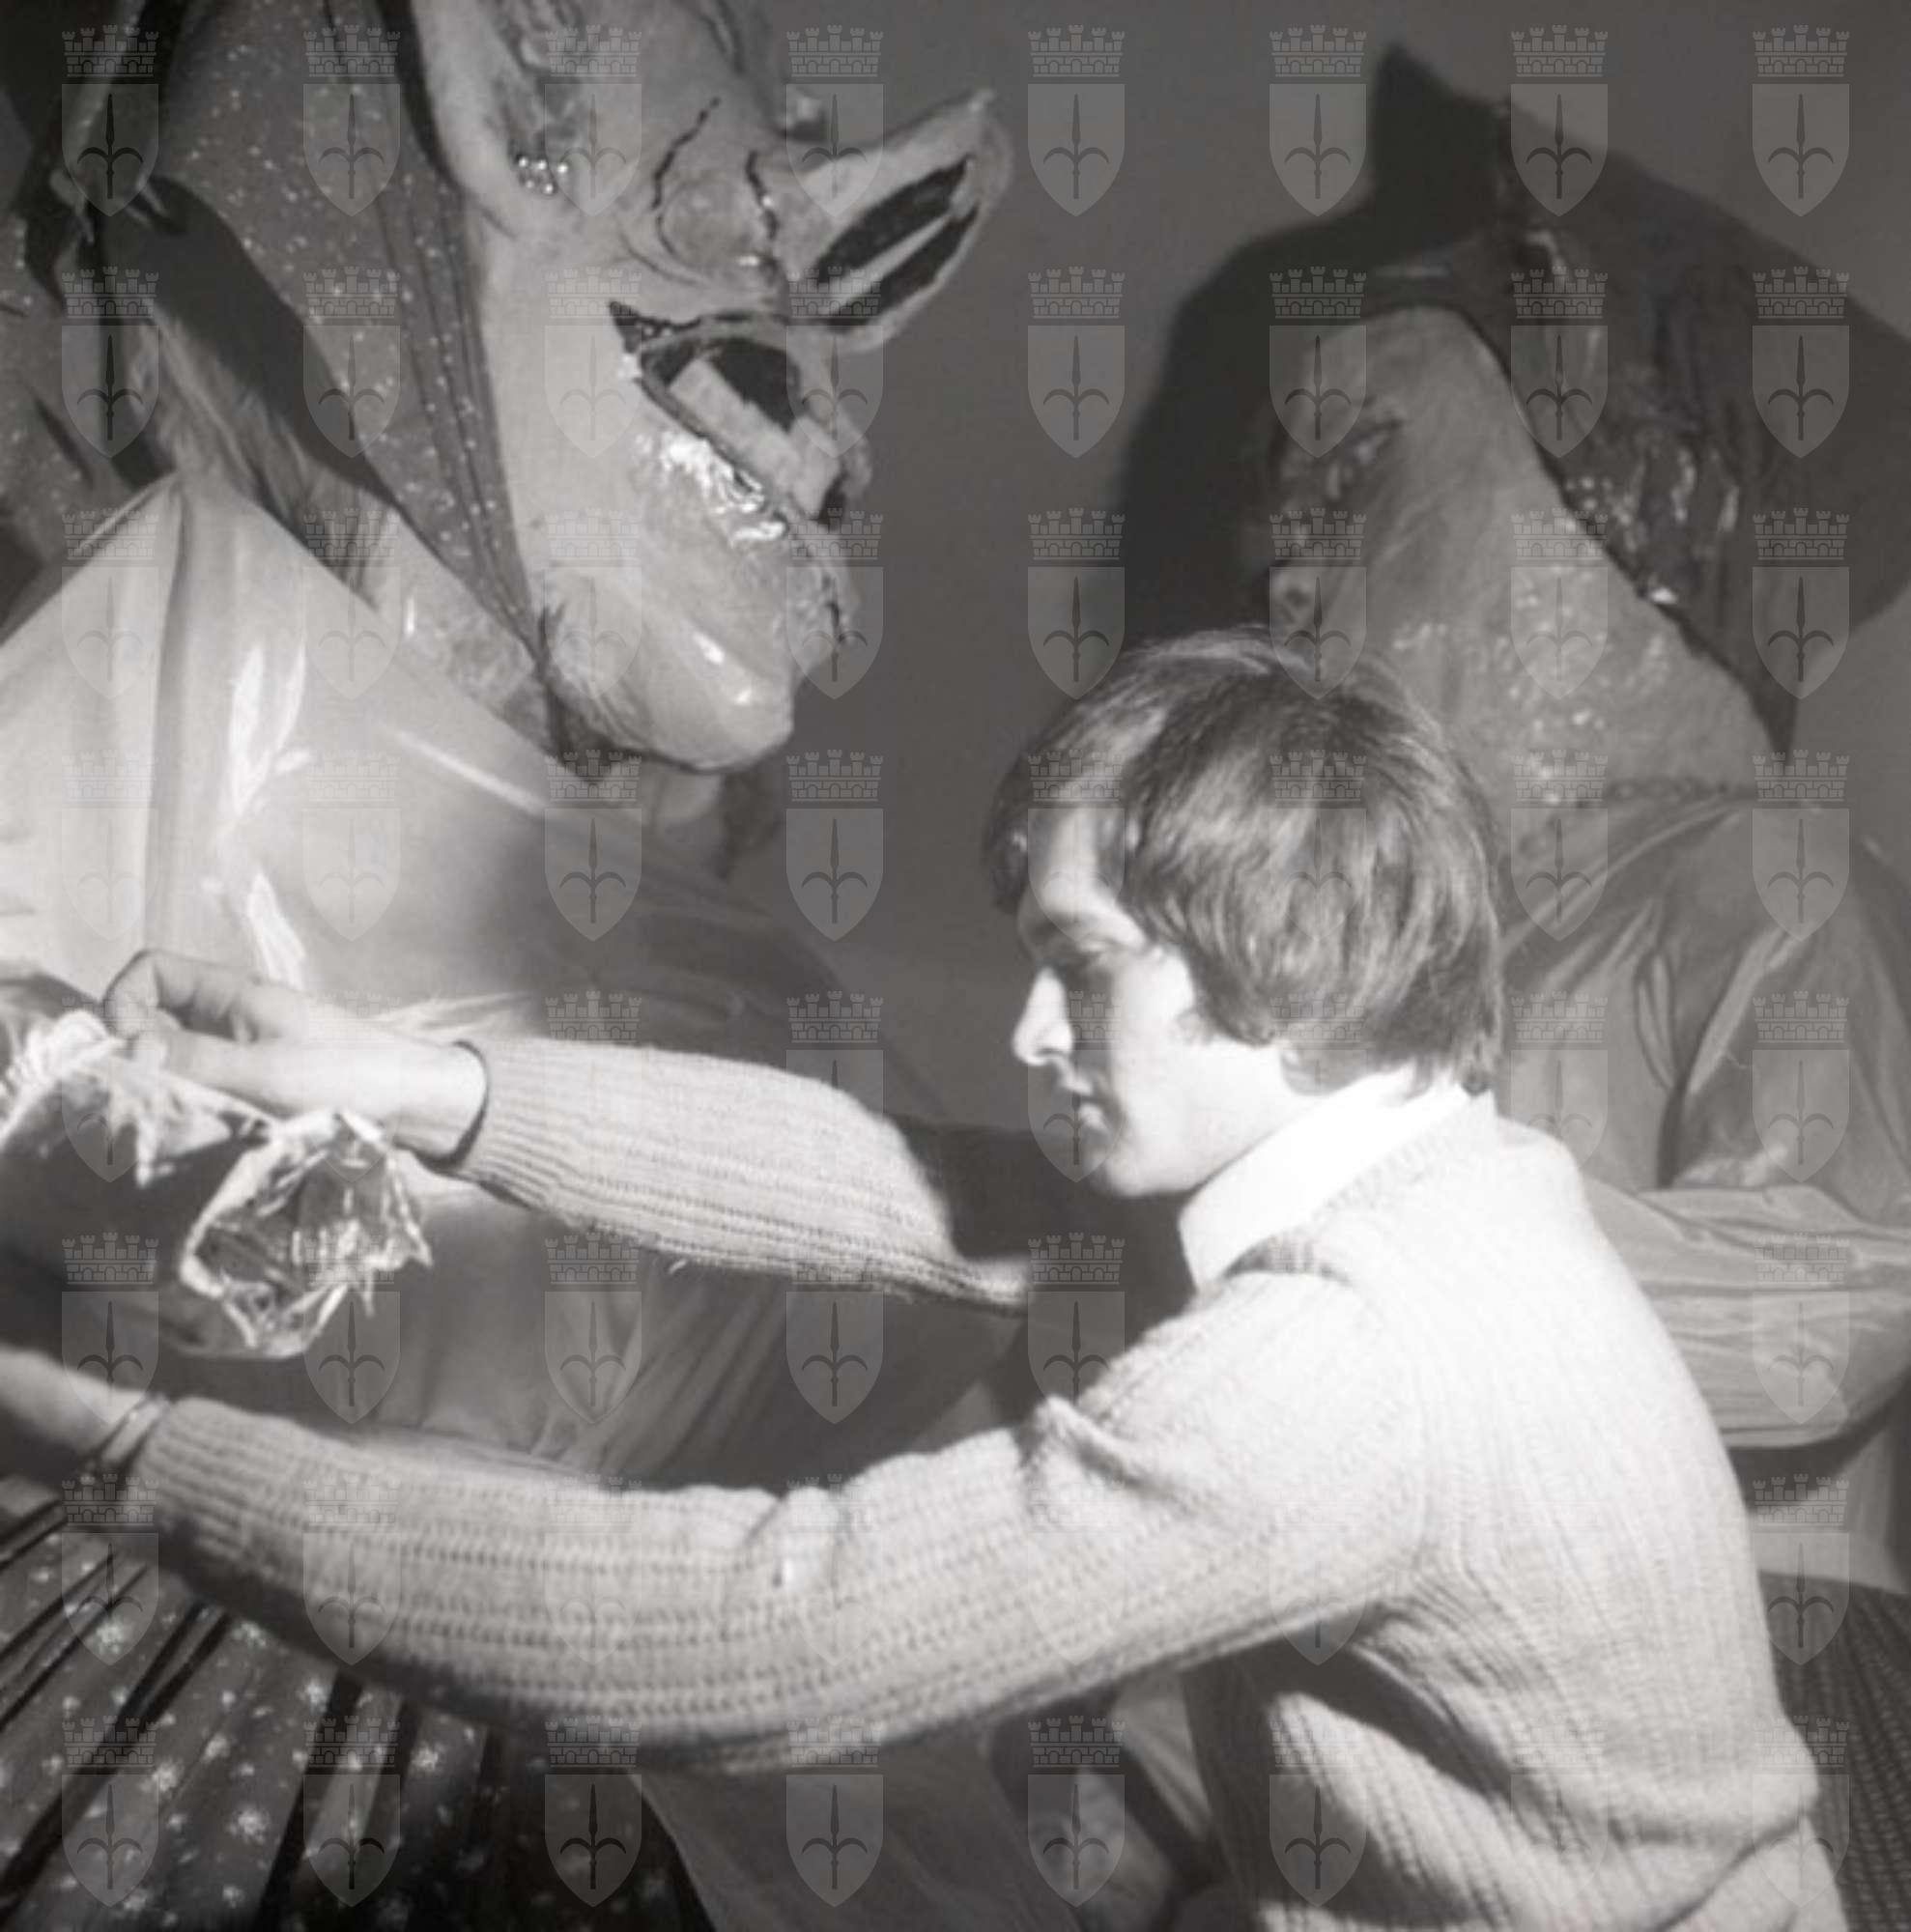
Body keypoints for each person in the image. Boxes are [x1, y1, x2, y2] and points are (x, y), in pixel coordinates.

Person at [0, 633, 1843, 1928]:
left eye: (1082, 967)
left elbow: (760, 1636)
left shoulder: (1343, 1363)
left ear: (1278, 956)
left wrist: (136, 1457)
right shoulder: (1430, 1182)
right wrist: (419, 1084)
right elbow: (898, 1186)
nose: (1030, 1029)